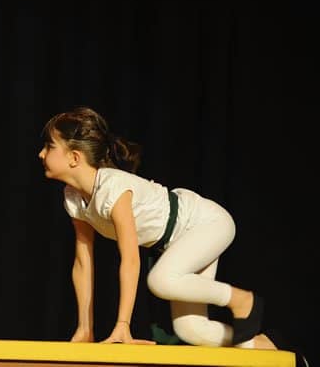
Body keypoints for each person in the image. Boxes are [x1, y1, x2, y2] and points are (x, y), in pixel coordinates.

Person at [37, 106, 276, 349]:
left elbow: (130, 259)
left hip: (207, 223)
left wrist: (123, 324)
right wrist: (85, 329)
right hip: (180, 240)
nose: (41, 154)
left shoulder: (113, 188)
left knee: (161, 280)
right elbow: (83, 262)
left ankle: (241, 300)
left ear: (74, 157)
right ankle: (263, 346)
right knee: (192, 330)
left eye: (49, 146)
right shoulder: (73, 198)